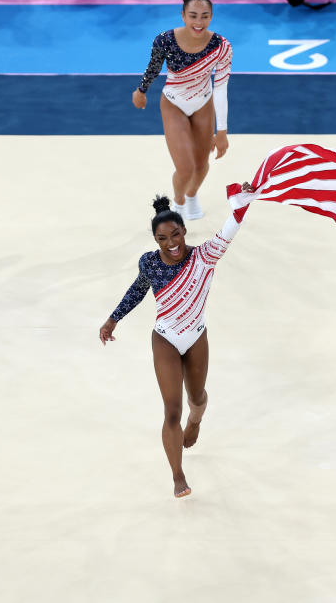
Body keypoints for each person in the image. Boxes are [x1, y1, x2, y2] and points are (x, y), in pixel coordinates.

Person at [99, 196, 245, 498]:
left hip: (196, 337)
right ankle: (178, 476)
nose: (171, 243)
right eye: (162, 238)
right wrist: (114, 318)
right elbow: (138, 290)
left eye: (175, 234)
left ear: (184, 231)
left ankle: (196, 421)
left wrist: (243, 202)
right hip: (165, 338)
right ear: (155, 240)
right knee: (171, 411)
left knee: (197, 397)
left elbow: (229, 231)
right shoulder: (149, 262)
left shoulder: (204, 257)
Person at [132, 0, 232, 221]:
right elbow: (154, 67)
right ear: (183, 15)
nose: (199, 22)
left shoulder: (222, 46)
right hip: (174, 104)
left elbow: (221, 87)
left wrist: (223, 131)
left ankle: (192, 196)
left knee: (202, 165)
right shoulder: (165, 40)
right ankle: (177, 205)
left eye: (205, 16)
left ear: (211, 16)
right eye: (193, 16)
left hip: (203, 104)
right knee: (185, 168)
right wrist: (141, 90)